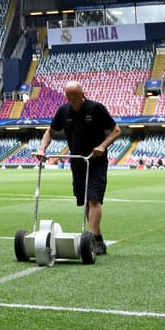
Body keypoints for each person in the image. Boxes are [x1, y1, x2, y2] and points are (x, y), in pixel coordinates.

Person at [33, 80, 121, 256]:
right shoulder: (63, 111)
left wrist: (103, 146)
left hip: (96, 161)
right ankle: (97, 238)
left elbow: (116, 130)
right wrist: (42, 149)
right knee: (85, 201)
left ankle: (93, 239)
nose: (71, 100)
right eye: (68, 97)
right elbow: (50, 131)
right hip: (77, 162)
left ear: (82, 94)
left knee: (94, 199)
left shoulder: (96, 108)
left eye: (75, 96)